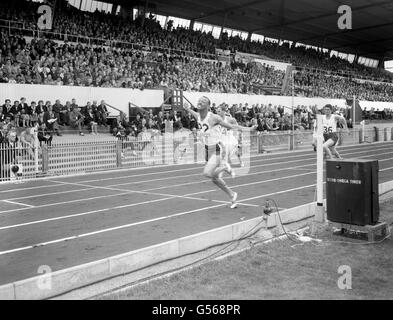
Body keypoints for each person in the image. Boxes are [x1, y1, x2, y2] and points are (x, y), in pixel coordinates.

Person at [183, 96, 249, 209]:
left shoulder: (214, 117)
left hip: (217, 149)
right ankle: (232, 195)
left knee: (207, 173)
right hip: (208, 150)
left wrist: (249, 129)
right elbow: (193, 112)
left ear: (208, 106)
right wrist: (187, 109)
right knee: (214, 179)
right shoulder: (198, 116)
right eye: (199, 100)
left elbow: (232, 126)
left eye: (203, 101)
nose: (200, 102)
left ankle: (225, 167)